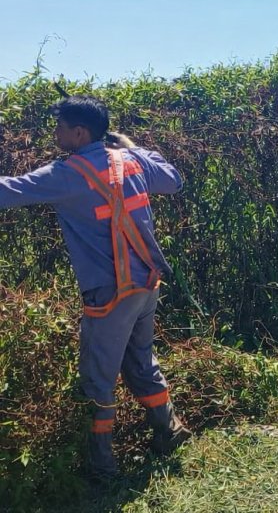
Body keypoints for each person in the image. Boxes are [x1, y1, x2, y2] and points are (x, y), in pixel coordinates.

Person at [0, 96, 191, 482]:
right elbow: (174, 179)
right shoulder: (132, 161)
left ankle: (101, 470)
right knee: (140, 360)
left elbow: (8, 191)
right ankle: (168, 430)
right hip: (145, 284)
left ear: (79, 132)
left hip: (109, 294)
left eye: (60, 129)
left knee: (97, 380)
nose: (55, 135)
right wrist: (131, 145)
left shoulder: (67, 173)